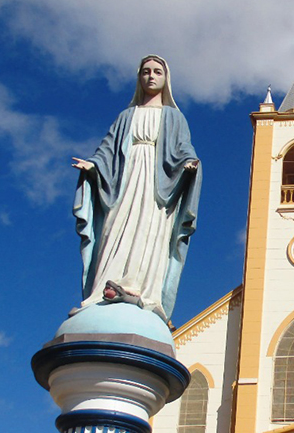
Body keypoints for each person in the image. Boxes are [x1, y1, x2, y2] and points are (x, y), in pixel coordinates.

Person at [72, 55, 201, 322]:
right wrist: (93, 165)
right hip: (125, 182)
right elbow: (107, 149)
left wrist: (188, 164)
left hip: (158, 187)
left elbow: (184, 148)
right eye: (146, 72)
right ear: (139, 78)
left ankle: (143, 290)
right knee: (115, 230)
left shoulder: (174, 117)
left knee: (150, 232)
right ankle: (103, 289)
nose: (151, 76)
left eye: (157, 72)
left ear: (166, 79)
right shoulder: (126, 116)